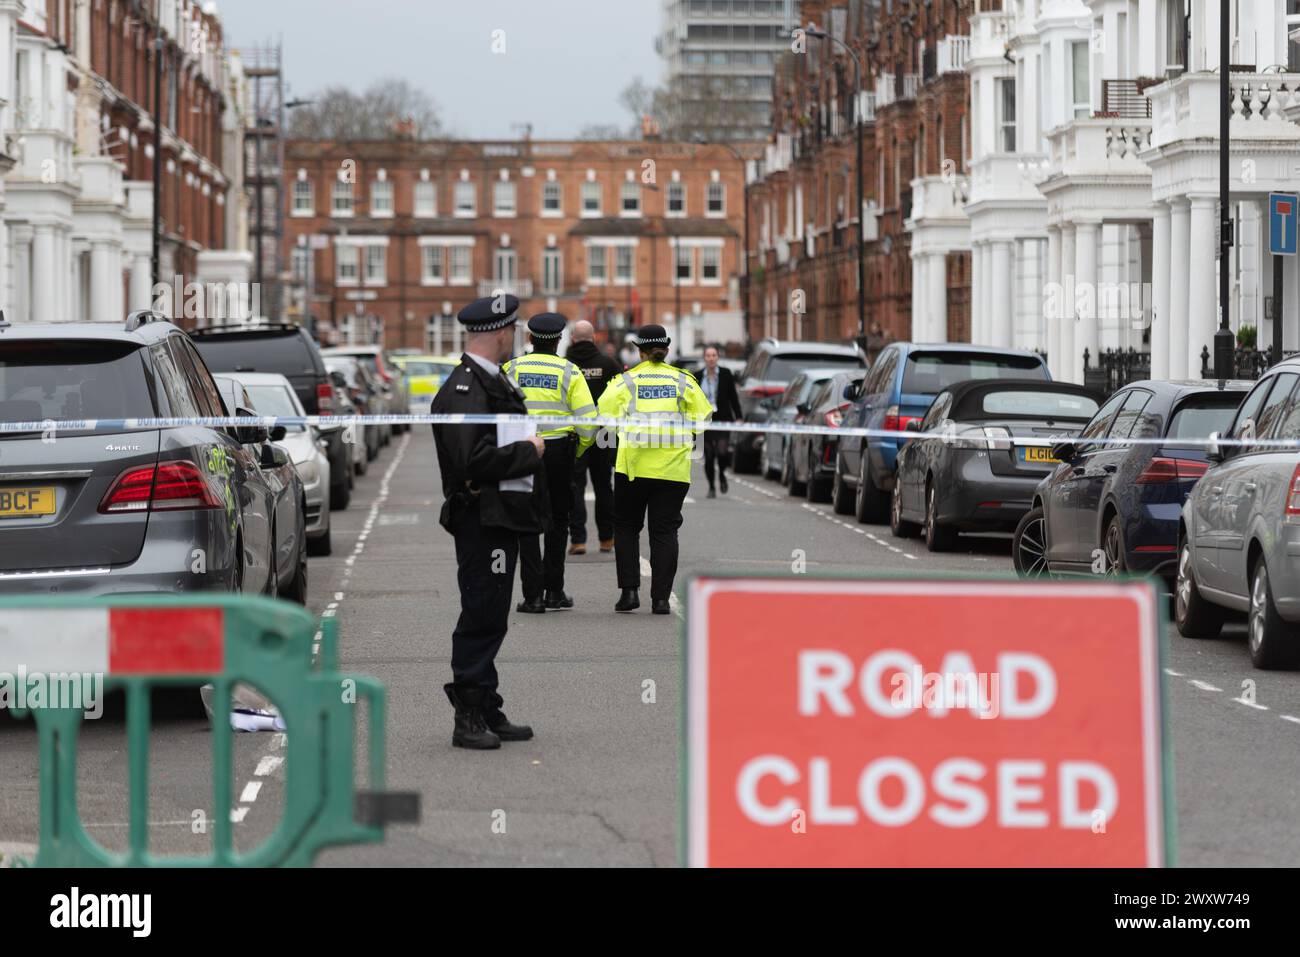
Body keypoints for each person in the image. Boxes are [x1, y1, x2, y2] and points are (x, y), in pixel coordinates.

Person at [430, 294, 544, 750]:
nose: (513, 337)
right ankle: (468, 714)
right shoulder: (465, 388)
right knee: (482, 611)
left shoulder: (489, 382)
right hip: (481, 518)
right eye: (512, 330)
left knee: (493, 611)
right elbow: (471, 460)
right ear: (500, 332)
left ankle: (487, 704)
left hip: (501, 516)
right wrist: (530, 452)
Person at [598, 325, 713, 615]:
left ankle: (629, 593)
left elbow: (605, 414)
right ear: (667, 349)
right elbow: (704, 419)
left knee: (626, 528)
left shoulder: (626, 381)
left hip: (633, 469)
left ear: (640, 351)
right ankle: (661, 599)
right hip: (672, 470)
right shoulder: (684, 381)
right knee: (663, 533)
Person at [503, 313, 597, 613]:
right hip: (559, 452)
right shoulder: (570, 371)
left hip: (522, 451)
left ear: (530, 339)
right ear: (559, 340)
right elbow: (588, 422)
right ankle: (555, 592)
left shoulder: (511, 369)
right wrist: (579, 449)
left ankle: (532, 596)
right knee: (559, 521)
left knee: (526, 521)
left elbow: (497, 413)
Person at [565, 319, 622, 555]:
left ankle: (578, 540)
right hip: (603, 435)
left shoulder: (565, 365)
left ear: (572, 339)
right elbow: (622, 396)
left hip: (575, 435)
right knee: (603, 486)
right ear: (594, 338)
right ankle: (607, 539)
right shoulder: (608, 364)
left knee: (575, 487)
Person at [697, 344, 742, 498]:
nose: (711, 359)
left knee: (722, 452)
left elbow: (733, 397)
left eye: (714, 355)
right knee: (709, 455)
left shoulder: (725, 374)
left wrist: (739, 416)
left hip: (723, 418)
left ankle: (722, 474)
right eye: (708, 356)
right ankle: (711, 486)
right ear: (704, 358)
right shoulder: (697, 376)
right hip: (705, 420)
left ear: (718, 358)